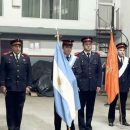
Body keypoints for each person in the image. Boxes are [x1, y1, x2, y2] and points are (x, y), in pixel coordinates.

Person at [0, 39, 32, 130]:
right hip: (10, 89)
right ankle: (11, 127)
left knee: (19, 110)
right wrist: (2, 85)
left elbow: (29, 73)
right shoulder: (5, 57)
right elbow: (2, 72)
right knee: (10, 110)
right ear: (12, 47)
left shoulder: (26, 58)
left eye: (19, 46)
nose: (18, 48)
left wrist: (29, 86)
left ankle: (17, 127)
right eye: (16, 46)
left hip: (21, 89)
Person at [73, 36, 102, 130]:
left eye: (90, 44)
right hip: (82, 87)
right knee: (81, 108)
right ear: (83, 45)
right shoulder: (78, 56)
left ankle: (88, 126)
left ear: (91, 45)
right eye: (86, 44)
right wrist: (77, 85)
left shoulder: (96, 56)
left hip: (92, 87)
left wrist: (98, 85)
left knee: (90, 108)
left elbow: (99, 72)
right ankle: (81, 126)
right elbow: (77, 72)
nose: (88, 46)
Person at [54, 39, 76, 130]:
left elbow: (78, 74)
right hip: (60, 91)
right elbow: (54, 75)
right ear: (63, 48)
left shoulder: (75, 60)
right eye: (66, 47)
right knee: (58, 113)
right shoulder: (58, 59)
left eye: (70, 47)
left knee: (69, 111)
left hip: (70, 91)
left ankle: (70, 128)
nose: (68, 49)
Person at [108, 42, 130, 126]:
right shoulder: (113, 60)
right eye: (120, 50)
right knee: (112, 103)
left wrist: (128, 85)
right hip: (115, 86)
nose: (122, 51)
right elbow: (110, 73)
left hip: (124, 87)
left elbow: (129, 74)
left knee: (123, 104)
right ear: (117, 50)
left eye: (123, 50)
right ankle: (111, 119)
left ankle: (123, 120)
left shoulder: (127, 61)